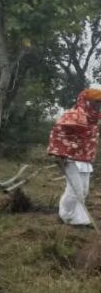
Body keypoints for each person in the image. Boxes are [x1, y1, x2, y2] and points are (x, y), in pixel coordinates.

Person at [48, 88, 101, 226]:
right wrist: (58, 154)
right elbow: (58, 133)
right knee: (75, 190)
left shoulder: (94, 119)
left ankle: (79, 219)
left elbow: (90, 140)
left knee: (84, 190)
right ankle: (65, 216)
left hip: (85, 159)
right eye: (96, 102)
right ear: (87, 101)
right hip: (69, 158)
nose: (98, 105)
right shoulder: (72, 115)